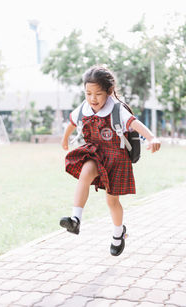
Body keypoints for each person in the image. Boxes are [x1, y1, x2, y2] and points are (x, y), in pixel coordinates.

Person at [60, 65, 161, 256]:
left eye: (98, 93)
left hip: (115, 157)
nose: (92, 98)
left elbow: (135, 123)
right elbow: (72, 122)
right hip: (95, 153)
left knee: (112, 201)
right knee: (85, 174)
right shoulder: (84, 107)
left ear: (108, 91)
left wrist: (151, 137)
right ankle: (75, 219)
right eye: (88, 93)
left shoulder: (116, 110)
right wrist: (65, 139)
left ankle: (118, 234)